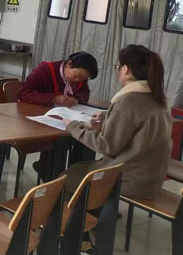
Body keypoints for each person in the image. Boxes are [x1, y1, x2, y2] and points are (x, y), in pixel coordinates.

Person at [63, 45, 172, 199]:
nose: (117, 70)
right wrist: (106, 121)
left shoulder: (128, 101)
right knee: (82, 167)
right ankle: (94, 209)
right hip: (151, 180)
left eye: (117, 66)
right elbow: (137, 132)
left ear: (125, 69)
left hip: (128, 181)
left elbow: (106, 146)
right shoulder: (159, 99)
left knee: (66, 178)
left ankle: (82, 213)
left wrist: (73, 126)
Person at [17, 51, 98, 106]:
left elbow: (85, 94)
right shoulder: (45, 70)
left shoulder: (80, 79)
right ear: (69, 64)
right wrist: (54, 99)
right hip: (36, 113)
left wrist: (76, 99)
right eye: (77, 75)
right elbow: (23, 94)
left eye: (83, 79)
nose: (77, 80)